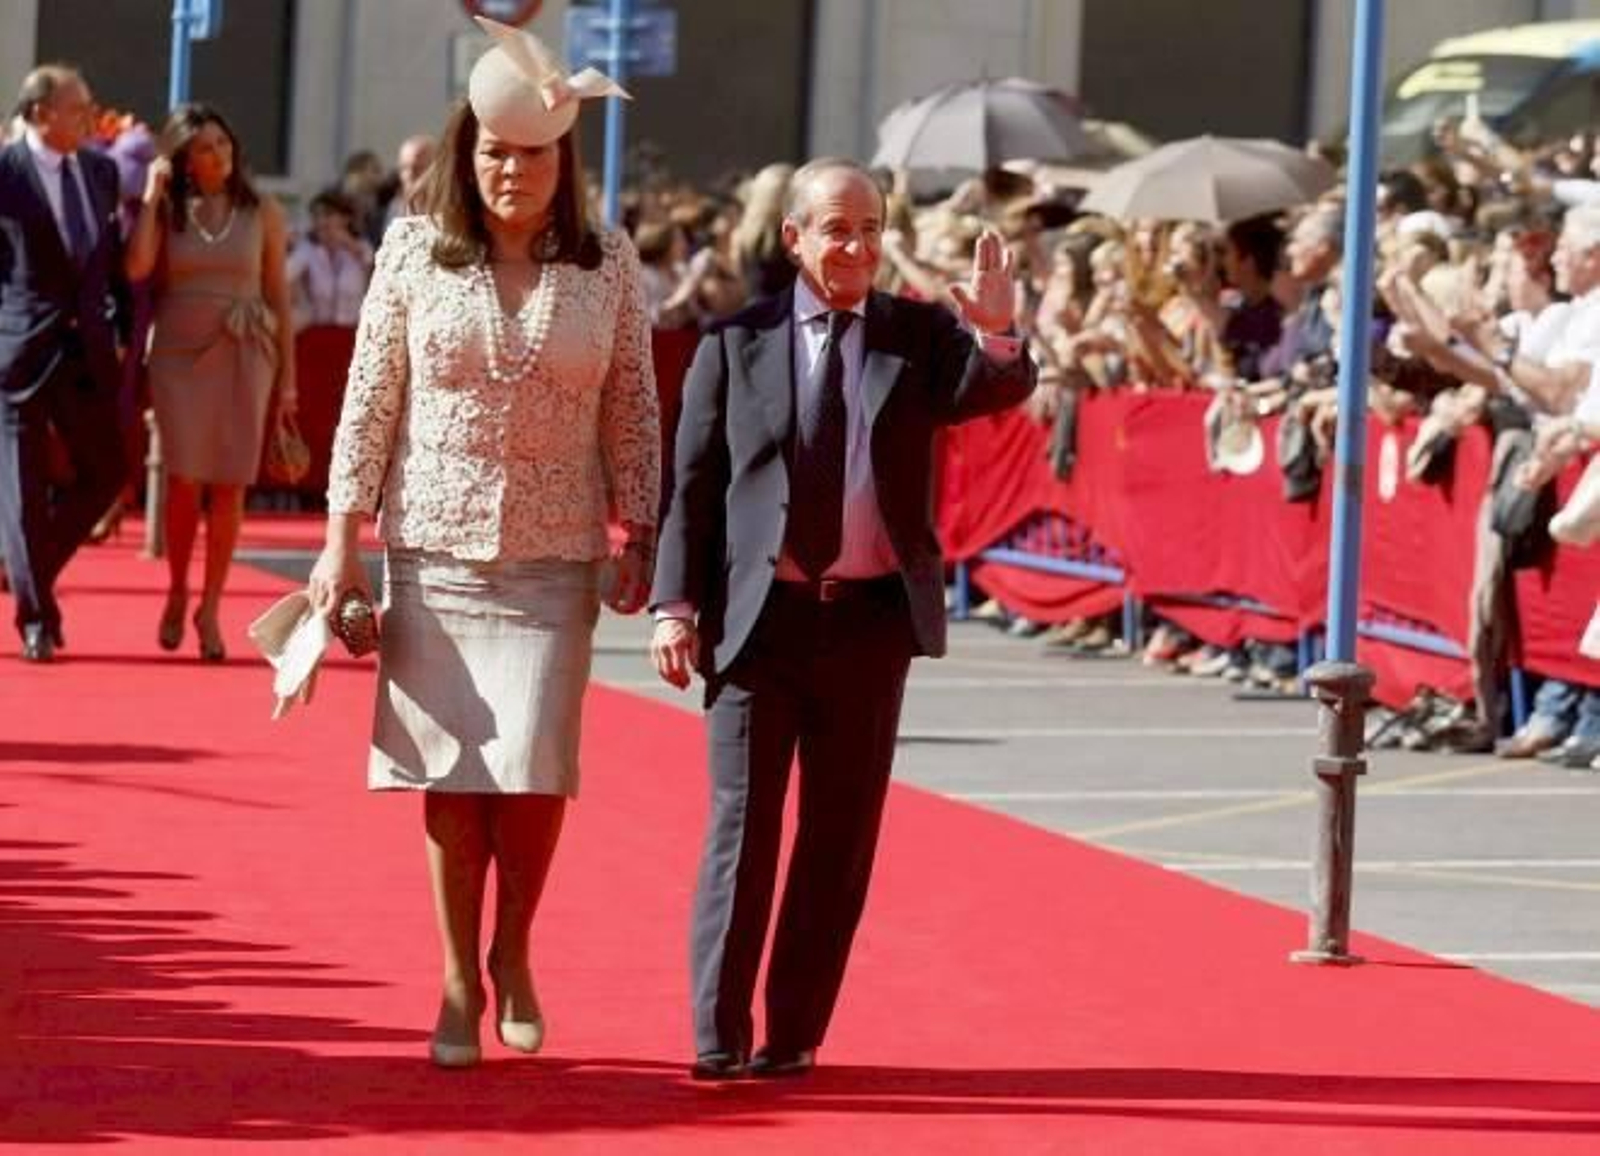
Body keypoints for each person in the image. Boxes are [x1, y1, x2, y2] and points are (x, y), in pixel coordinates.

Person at [310, 17, 659, 1069]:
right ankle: (460, 975)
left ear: (564, 162)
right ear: (469, 155)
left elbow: (633, 406)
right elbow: (369, 399)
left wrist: (642, 526)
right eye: (497, 153)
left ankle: (516, 945)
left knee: (537, 768)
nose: (515, 172)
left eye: (535, 155)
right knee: (453, 774)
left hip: (556, 552)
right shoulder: (414, 251)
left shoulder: (607, 261)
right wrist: (339, 544)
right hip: (434, 549)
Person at [649, 157, 1035, 1080]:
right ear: (795, 238)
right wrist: (675, 606)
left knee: (838, 838)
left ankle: (793, 1034)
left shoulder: (917, 335)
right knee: (743, 832)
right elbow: (692, 485)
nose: (857, 247)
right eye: (837, 230)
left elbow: (991, 392)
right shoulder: (734, 344)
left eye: (870, 229)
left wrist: (997, 332)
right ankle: (717, 1034)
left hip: (867, 625)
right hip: (759, 625)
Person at [125, 103, 295, 662]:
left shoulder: (262, 209)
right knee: (183, 480)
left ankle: (211, 607)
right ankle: (177, 590)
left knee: (230, 485)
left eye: (223, 143)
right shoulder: (168, 209)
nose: (219, 155)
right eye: (204, 148)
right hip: (178, 357)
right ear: (183, 159)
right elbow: (137, 268)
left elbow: (279, 295)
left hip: (246, 352)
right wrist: (151, 197)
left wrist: (288, 382)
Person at [0, 65, 129, 662]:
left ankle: (25, 567)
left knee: (108, 470)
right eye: (78, 108)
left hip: (85, 350)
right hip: (19, 351)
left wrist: (119, 327)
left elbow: (108, 261)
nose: (90, 117)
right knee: (23, 489)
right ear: (41, 113)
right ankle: (37, 619)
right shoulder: (6, 172)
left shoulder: (100, 171)